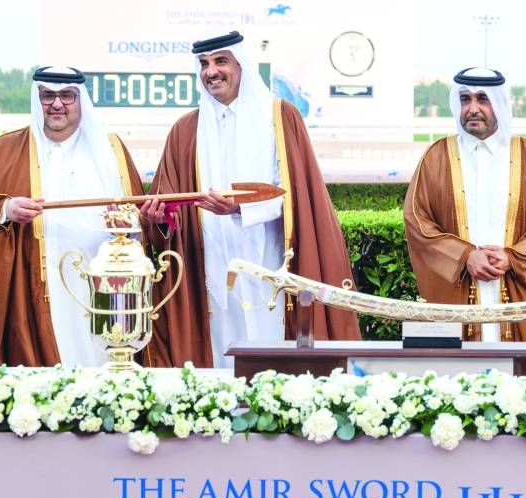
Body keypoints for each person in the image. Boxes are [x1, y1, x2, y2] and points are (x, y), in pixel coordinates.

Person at [139, 31, 361, 369]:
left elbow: (293, 194)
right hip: (210, 276)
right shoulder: (185, 130)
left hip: (273, 267)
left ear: (241, 65)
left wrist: (239, 208)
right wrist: (159, 218)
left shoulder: (280, 117)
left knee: (273, 364)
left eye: (220, 61)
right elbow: (169, 210)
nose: (211, 71)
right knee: (219, 363)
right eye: (204, 64)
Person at [0, 66, 143, 367]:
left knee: (99, 362)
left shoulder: (111, 150)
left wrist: (129, 226)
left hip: (100, 284)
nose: (57, 104)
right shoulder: (4, 149)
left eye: (67, 96)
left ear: (81, 100)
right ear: (36, 98)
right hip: (34, 285)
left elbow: (139, 217)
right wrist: (6, 208)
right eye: (47, 96)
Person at [404, 67, 526, 342]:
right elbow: (418, 221)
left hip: (513, 290)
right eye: (465, 99)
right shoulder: (437, 157)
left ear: (499, 104)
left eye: (483, 99)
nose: (473, 108)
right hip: (458, 293)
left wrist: (512, 257)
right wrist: (465, 256)